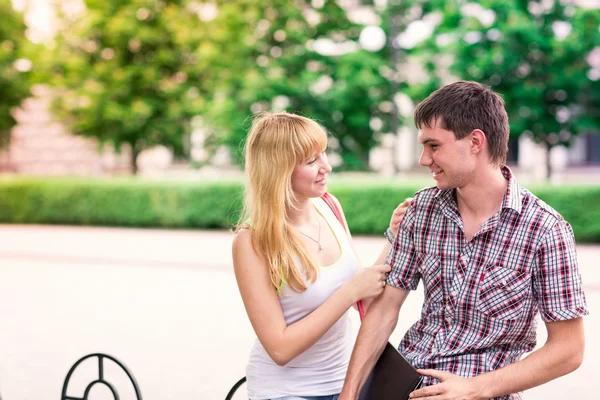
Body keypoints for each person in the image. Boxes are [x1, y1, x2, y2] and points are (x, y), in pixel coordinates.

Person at [339, 81, 588, 400]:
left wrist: (474, 388)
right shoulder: (422, 210)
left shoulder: (544, 229)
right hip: (403, 385)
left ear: (474, 142)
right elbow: (385, 309)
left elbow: (569, 350)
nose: (423, 160)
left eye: (433, 146)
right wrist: (349, 394)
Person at [232, 111, 411, 400]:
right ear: (280, 170)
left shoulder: (329, 206)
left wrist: (393, 235)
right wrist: (350, 292)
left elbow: (362, 295)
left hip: (344, 384)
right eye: (311, 160)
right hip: (284, 392)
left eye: (324, 153)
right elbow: (280, 348)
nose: (326, 166)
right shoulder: (252, 241)